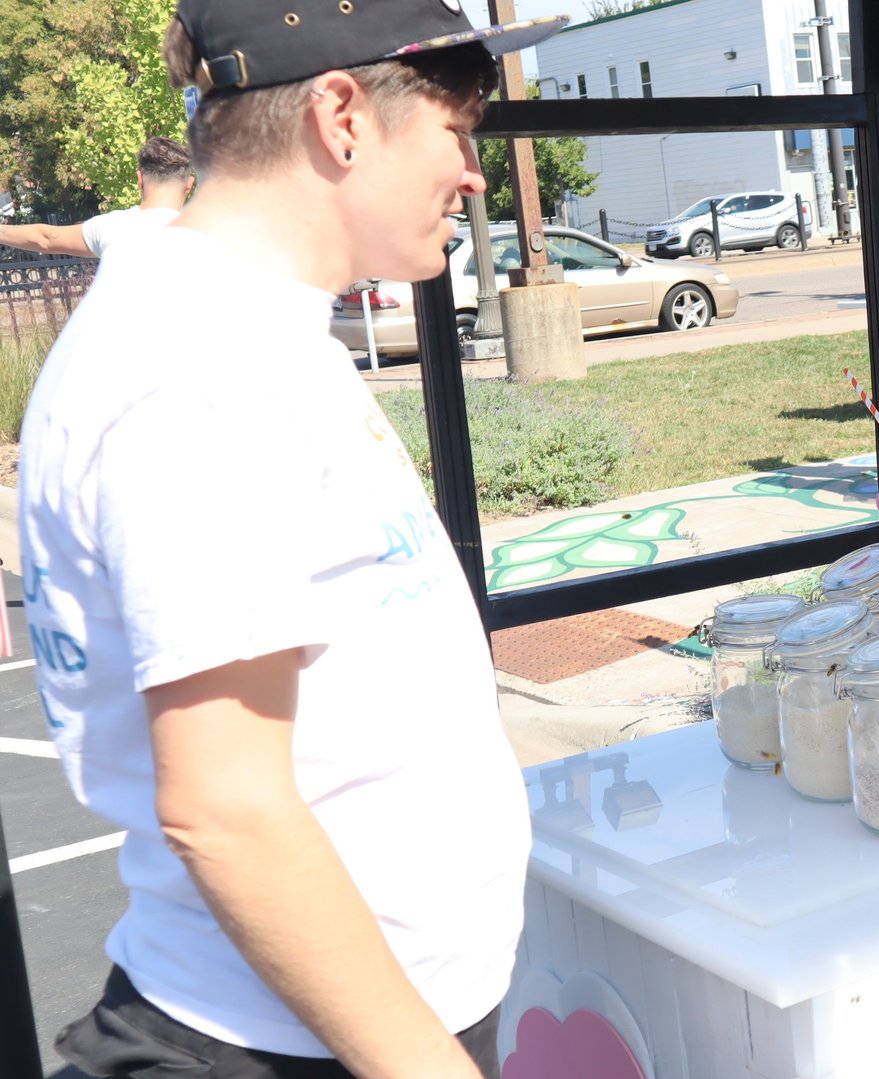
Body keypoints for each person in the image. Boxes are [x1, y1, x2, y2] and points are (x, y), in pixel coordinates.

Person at [18, 2, 567, 1076]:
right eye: (458, 130)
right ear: (341, 115)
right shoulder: (198, 365)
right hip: (290, 1043)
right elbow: (226, 808)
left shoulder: (250, 329)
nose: (473, 173)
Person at [0, 136, 194, 260]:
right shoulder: (212, 230)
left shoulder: (112, 227)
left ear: (140, 179)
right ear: (189, 184)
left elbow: (45, 238)